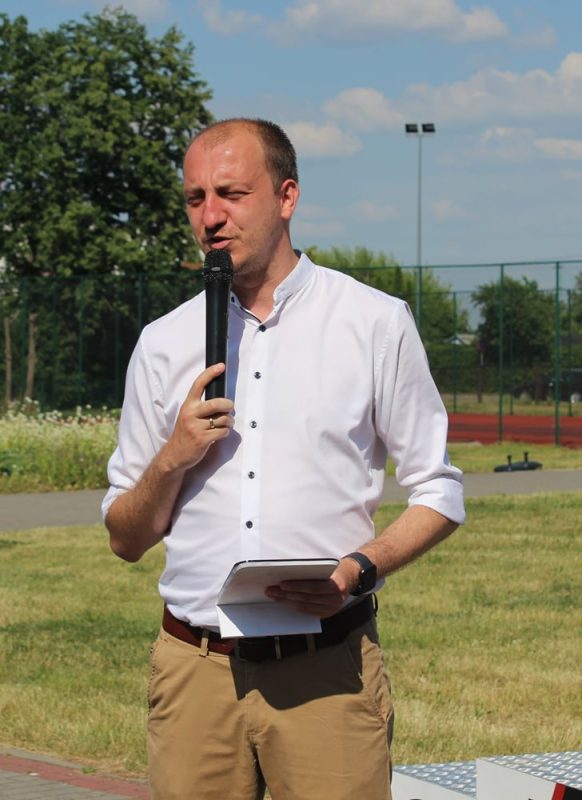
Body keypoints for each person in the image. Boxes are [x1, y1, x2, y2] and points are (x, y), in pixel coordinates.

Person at [103, 117, 465, 800]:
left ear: (287, 196)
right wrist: (173, 458)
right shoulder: (163, 342)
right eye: (196, 198)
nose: (211, 216)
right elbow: (125, 538)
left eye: (232, 193)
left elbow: (439, 492)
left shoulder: (372, 323)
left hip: (324, 669)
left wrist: (356, 572)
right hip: (193, 672)